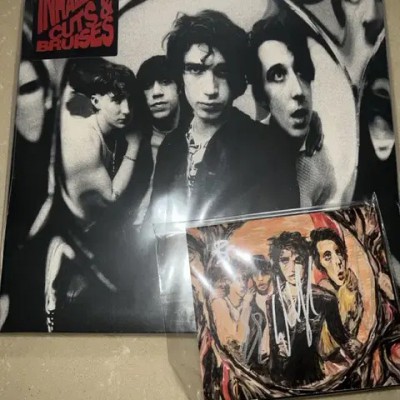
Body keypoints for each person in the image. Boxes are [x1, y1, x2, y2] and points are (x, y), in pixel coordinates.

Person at [150, 9, 300, 225]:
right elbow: (156, 228)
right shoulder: (170, 146)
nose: (211, 89)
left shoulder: (269, 146)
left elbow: (282, 233)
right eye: (196, 70)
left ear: (237, 77)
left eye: (223, 72)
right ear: (180, 76)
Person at [43, 59, 145, 331]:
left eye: (131, 101)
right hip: (72, 245)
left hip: (94, 240)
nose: (127, 110)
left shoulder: (108, 132)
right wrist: (135, 146)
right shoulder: (86, 138)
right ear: (96, 101)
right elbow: (110, 197)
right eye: (117, 100)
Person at [249, 13, 336, 207]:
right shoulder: (247, 154)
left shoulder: (323, 163)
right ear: (261, 96)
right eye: (278, 75)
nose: (298, 91)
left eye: (302, 71)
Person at [266, 231, 361, 387]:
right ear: (277, 264)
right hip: (282, 381)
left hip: (312, 378)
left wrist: (368, 354)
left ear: (306, 262)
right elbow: (274, 346)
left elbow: (343, 338)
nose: (292, 268)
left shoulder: (324, 299)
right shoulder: (273, 302)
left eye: (298, 260)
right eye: (284, 260)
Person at [134, 55, 183, 224]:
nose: (156, 92)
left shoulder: (200, 131)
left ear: (180, 87)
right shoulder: (134, 139)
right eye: (147, 86)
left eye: (165, 82)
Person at [310, 227, 363, 360]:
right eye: (327, 257)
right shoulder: (320, 299)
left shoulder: (356, 285)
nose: (337, 261)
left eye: (338, 252)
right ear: (320, 264)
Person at [243, 254, 274, 372]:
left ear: (271, 274)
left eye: (264, 274)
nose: (260, 279)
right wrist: (246, 305)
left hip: (277, 359)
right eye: (255, 275)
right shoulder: (249, 301)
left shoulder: (279, 298)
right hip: (255, 361)